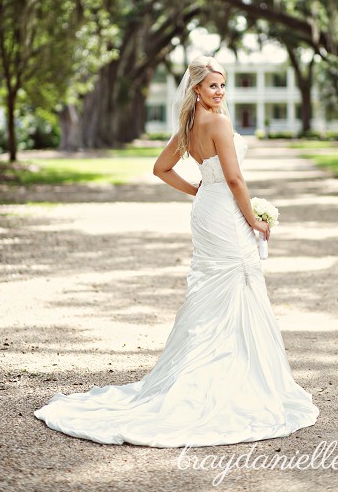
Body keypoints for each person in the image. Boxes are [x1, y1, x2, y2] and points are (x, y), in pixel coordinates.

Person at [34, 56, 318, 447]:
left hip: (207, 210)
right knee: (236, 283)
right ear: (197, 89)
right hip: (225, 213)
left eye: (223, 85)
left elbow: (162, 169)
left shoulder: (189, 126)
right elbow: (234, 178)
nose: (220, 92)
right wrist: (254, 219)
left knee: (216, 289)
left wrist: (200, 190)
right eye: (213, 86)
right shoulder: (218, 122)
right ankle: (234, 377)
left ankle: (214, 367)